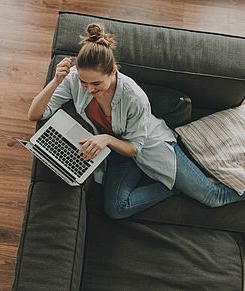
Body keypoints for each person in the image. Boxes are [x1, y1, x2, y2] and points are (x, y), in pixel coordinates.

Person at [28, 23, 245, 219]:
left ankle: (182, 184)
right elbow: (35, 114)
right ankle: (175, 187)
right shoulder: (76, 78)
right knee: (116, 208)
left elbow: (134, 148)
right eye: (84, 83)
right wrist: (56, 81)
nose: (89, 89)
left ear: (113, 71)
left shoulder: (134, 97)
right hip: (118, 154)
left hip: (149, 147)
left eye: (96, 84)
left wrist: (105, 139)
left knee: (212, 196)